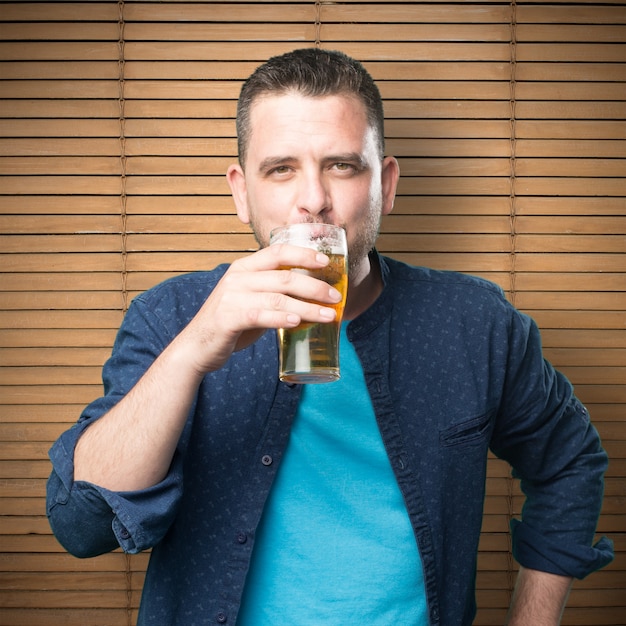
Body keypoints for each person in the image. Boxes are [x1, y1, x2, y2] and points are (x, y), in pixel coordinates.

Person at [46, 48, 613, 626]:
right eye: (281, 168)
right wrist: (191, 353)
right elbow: (83, 525)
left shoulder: (474, 322)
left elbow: (569, 461)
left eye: (342, 165)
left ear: (385, 185)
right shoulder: (170, 316)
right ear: (242, 192)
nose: (313, 199)